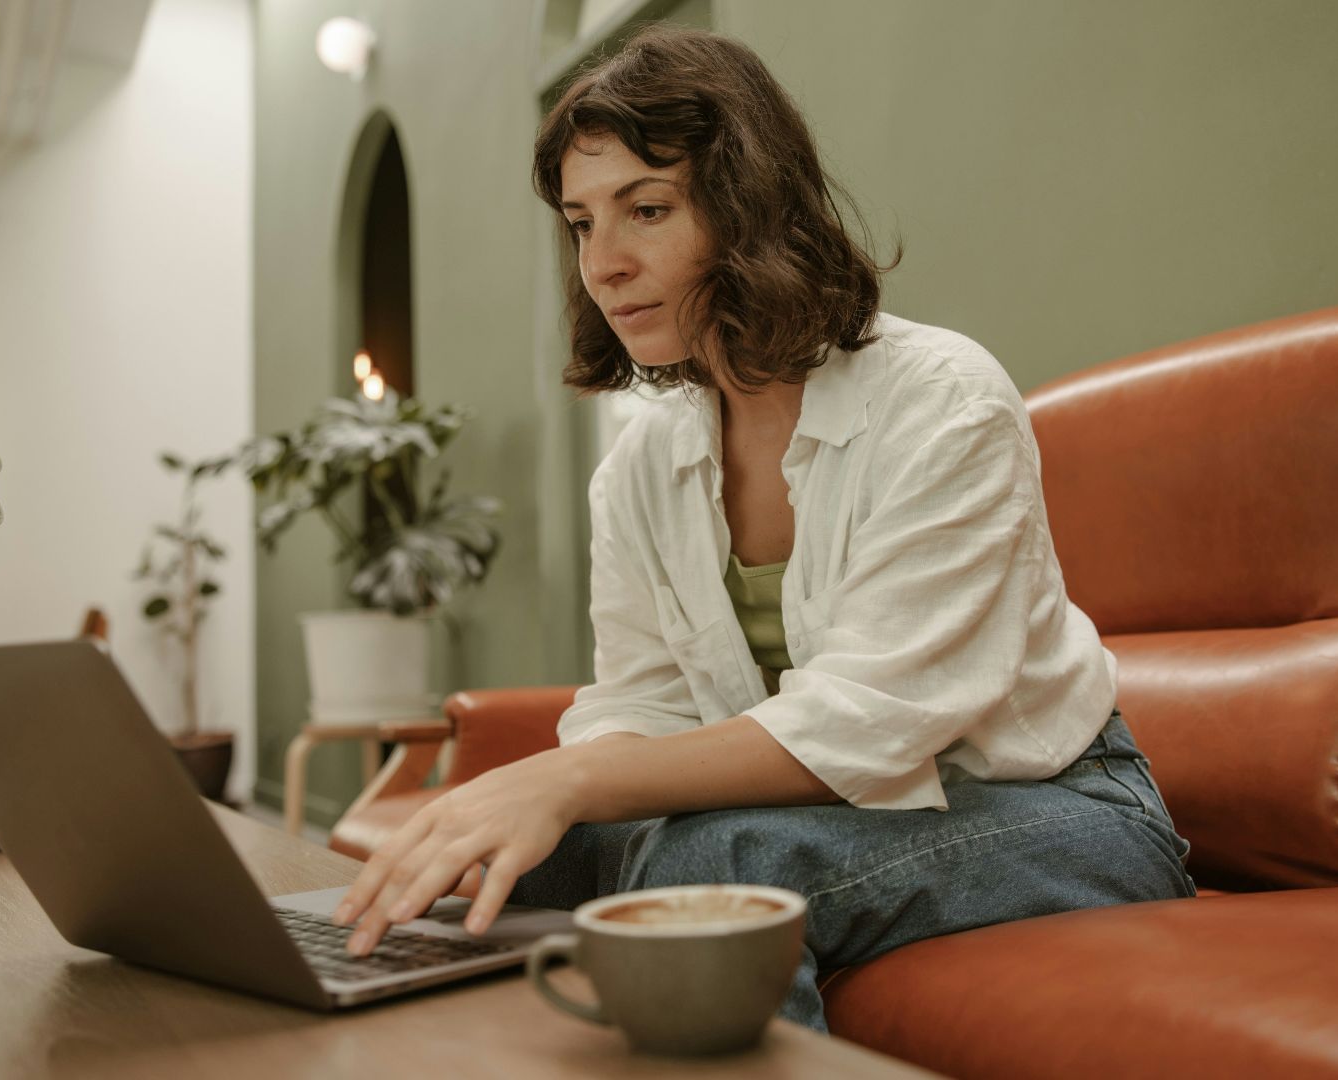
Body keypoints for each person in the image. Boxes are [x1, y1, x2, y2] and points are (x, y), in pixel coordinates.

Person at [332, 25, 1194, 1033]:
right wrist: (539, 802)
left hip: (1063, 810)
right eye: (580, 223)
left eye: (645, 211)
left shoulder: (947, 402)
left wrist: (570, 774)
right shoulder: (644, 466)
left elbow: (869, 722)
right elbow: (645, 699)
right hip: (847, 816)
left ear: (747, 210)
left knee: (719, 869)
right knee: (530, 858)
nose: (603, 265)